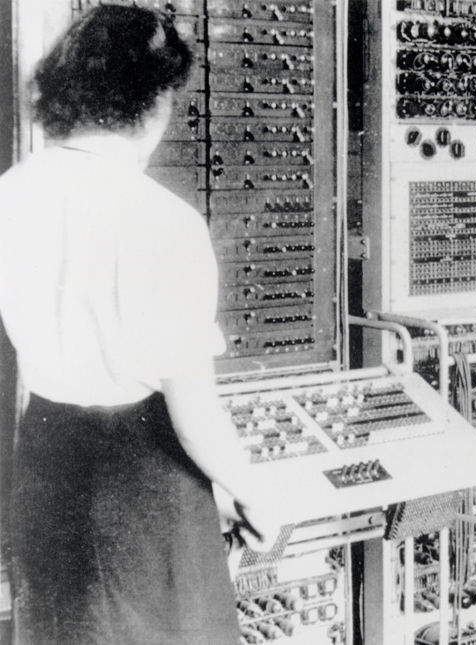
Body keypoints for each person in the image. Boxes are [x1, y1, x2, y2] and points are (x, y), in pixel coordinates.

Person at [0, 7, 284, 644]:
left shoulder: (9, 195)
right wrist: (252, 491)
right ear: (155, 100)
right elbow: (196, 416)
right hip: (144, 485)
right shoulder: (163, 221)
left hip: (47, 464)